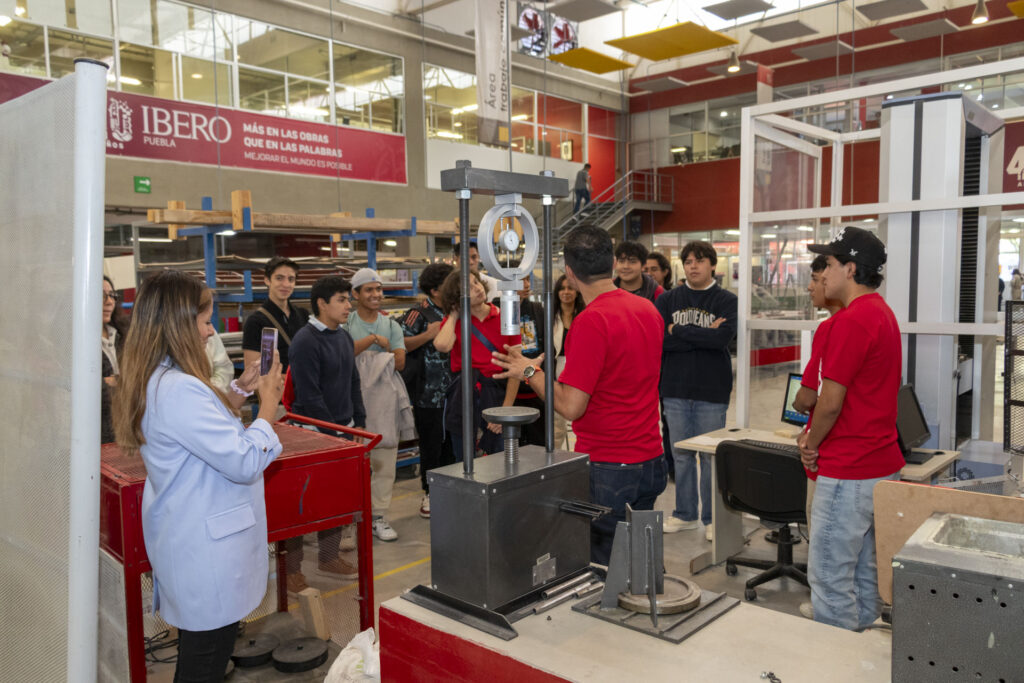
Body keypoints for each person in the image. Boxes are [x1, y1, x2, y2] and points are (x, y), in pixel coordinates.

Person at [112, 271, 284, 681]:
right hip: (206, 549)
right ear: (178, 325)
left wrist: (240, 391)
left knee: (203, 652)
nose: (211, 332)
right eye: (206, 321)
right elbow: (243, 460)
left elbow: (203, 427)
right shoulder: (179, 389)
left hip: (189, 535)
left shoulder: (163, 379)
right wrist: (267, 406)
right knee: (204, 661)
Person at [491, 226, 666, 565]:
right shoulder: (648, 310)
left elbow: (571, 406)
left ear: (569, 273)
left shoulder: (592, 321)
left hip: (610, 466)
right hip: (650, 458)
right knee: (640, 560)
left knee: (605, 568)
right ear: (613, 263)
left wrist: (529, 371)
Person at [799, 226, 903, 631]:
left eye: (828, 264)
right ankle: (858, 648)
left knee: (828, 576)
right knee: (862, 571)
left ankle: (835, 662)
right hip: (878, 462)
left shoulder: (852, 321)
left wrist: (811, 442)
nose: (822, 274)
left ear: (851, 268)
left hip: (849, 468)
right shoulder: (881, 313)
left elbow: (829, 403)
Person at [286, 275, 365, 590]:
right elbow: (310, 396)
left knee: (336, 500)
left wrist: (358, 420)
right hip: (314, 435)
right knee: (300, 505)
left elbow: (353, 381)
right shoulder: (306, 342)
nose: (349, 305)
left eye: (348, 299)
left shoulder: (343, 337)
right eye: (342, 299)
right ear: (322, 303)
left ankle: (328, 557)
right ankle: (291, 569)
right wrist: (334, 434)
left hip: (341, 431)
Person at [657, 240, 737, 540]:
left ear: (712, 265)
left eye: (699, 260)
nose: (693, 266)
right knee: (681, 455)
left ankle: (712, 518)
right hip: (675, 389)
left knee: (710, 456)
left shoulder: (727, 300)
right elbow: (659, 340)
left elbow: (721, 341)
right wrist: (704, 334)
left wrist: (676, 330)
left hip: (711, 391)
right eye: (688, 261)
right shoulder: (667, 300)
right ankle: (685, 514)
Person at [344, 267, 410, 542]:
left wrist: (377, 355)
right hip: (352, 400)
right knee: (352, 463)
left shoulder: (391, 325)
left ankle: (379, 517)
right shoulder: (347, 323)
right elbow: (344, 354)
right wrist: (373, 342)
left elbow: (400, 361)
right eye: (369, 290)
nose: (376, 295)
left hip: (383, 401)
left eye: (379, 289)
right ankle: (349, 519)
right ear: (356, 294)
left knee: (384, 461)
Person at [434, 269, 521, 460]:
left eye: (476, 282)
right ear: (457, 297)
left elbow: (517, 367)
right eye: (468, 287)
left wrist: (506, 410)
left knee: (502, 459)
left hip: (497, 392)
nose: (477, 288)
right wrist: (454, 315)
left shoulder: (506, 315)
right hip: (464, 396)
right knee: (463, 460)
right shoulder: (455, 322)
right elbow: (442, 345)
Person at [398, 263, 456, 519]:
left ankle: (453, 491)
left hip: (456, 391)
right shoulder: (418, 313)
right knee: (431, 446)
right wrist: (428, 335)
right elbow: (399, 345)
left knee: (453, 445)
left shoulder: (457, 310)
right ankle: (430, 492)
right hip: (428, 394)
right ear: (434, 290)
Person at [791, 256, 845, 523]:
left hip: (828, 459)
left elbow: (806, 398)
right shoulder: (877, 316)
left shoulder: (830, 329)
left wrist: (809, 443)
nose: (811, 287)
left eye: (816, 279)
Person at [242, 256, 309, 371]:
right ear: (267, 280)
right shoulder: (258, 322)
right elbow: (254, 371)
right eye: (279, 278)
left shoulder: (303, 316)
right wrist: (291, 379)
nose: (286, 284)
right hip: (277, 387)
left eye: (291, 279)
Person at [551, 274, 584, 449]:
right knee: (557, 421)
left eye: (570, 288)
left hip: (579, 369)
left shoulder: (585, 315)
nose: (566, 292)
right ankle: (555, 458)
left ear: (577, 292)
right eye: (562, 288)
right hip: (556, 369)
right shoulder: (549, 316)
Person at [514, 276, 547, 448]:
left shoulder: (537, 309)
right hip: (509, 394)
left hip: (536, 390)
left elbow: (546, 349)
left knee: (539, 446)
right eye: (521, 280)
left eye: (528, 280)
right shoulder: (498, 310)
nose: (527, 285)